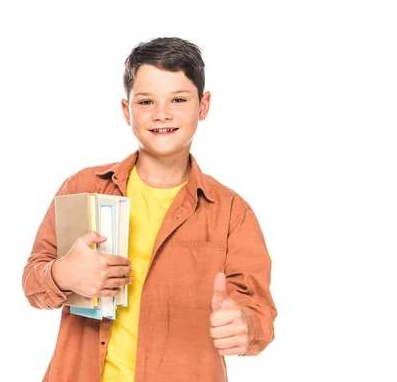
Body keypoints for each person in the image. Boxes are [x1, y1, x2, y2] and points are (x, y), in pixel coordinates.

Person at [22, 37, 277, 382]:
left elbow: (259, 315)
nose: (161, 113)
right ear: (127, 111)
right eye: (146, 101)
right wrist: (64, 275)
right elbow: (33, 280)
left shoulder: (232, 212)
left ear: (203, 106)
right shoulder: (83, 187)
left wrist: (243, 325)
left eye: (178, 99)